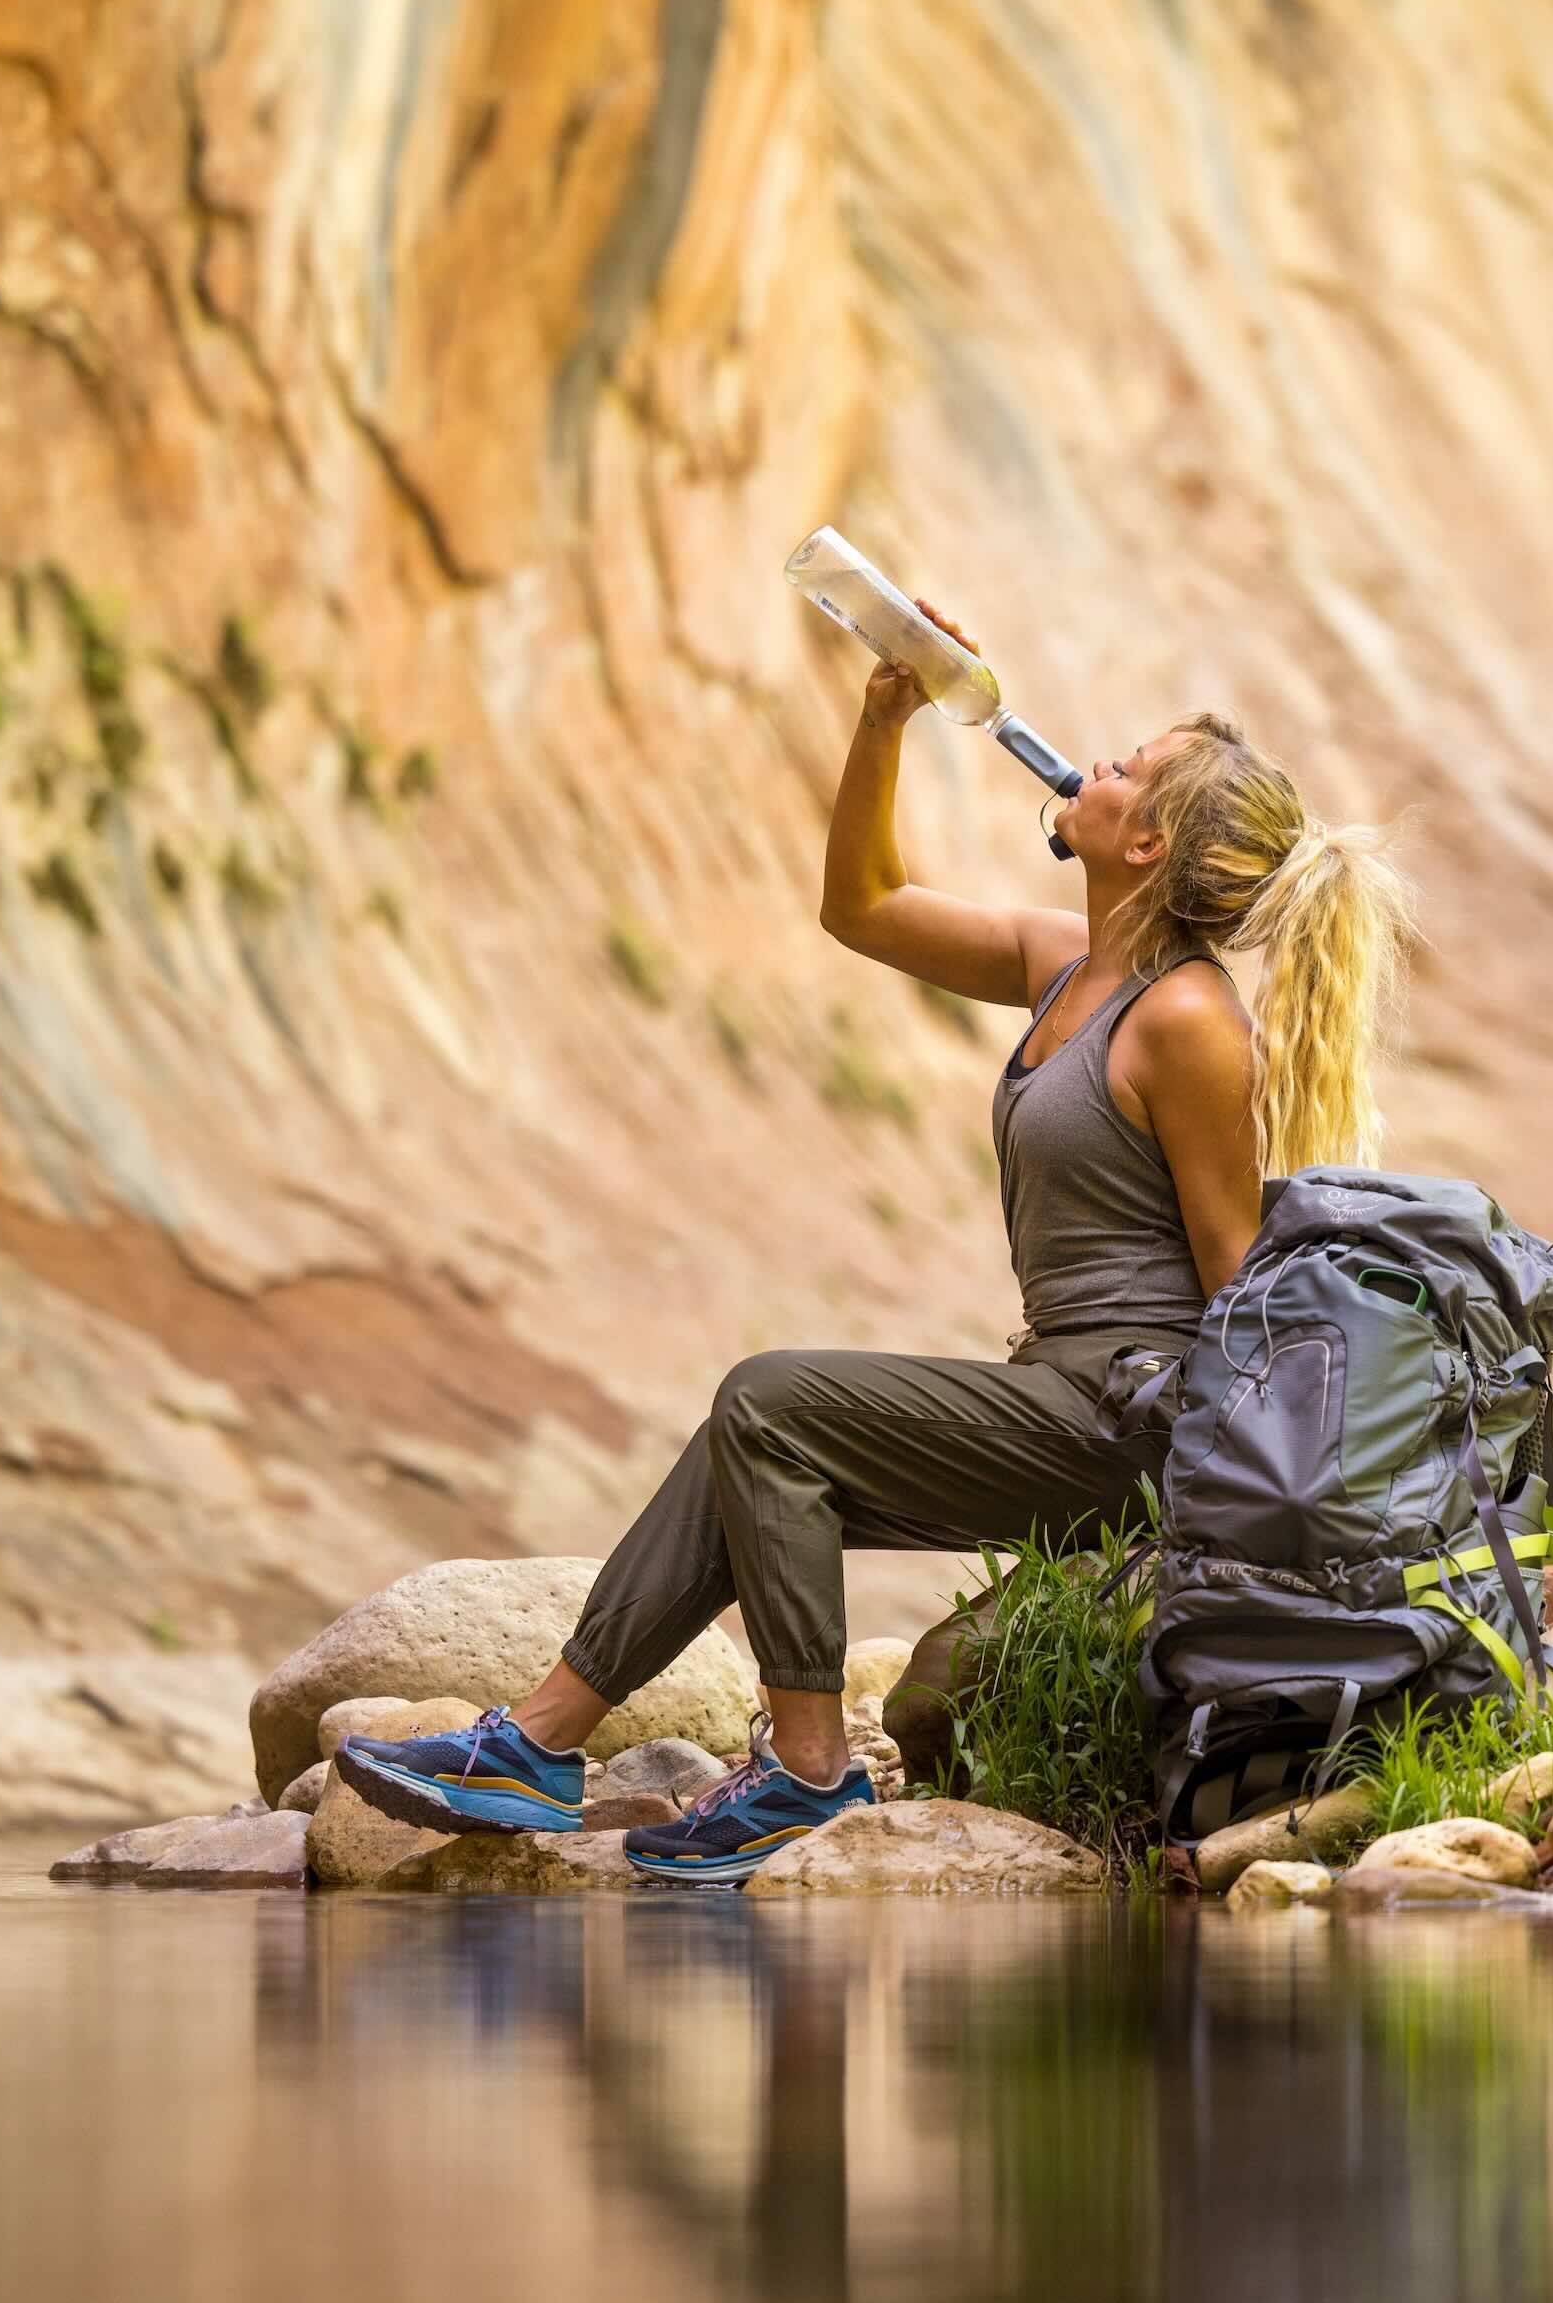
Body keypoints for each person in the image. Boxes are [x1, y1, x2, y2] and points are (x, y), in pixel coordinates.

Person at [340, 602, 1417, 1884]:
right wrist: (881, 724)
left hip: (1131, 1421)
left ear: (1145, 840)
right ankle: (538, 1742)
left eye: (1126, 766)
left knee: (772, 1402)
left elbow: (1236, 1271)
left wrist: (1238, 1520)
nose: (1093, 762)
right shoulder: (1067, 964)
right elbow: (861, 905)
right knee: (748, 1453)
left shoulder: (1188, 1021)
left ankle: (803, 1772)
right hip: (1057, 1388)